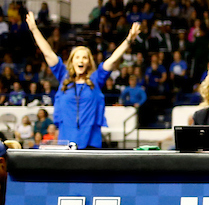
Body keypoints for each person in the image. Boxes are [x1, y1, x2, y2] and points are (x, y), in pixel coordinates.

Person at [26, 11, 140, 149]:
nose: (81, 60)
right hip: (66, 142)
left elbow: (113, 59)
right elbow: (48, 53)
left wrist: (129, 39)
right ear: (72, 61)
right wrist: (34, 29)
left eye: (84, 57)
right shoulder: (63, 76)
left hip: (91, 142)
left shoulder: (96, 78)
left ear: (89, 62)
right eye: (77, 57)